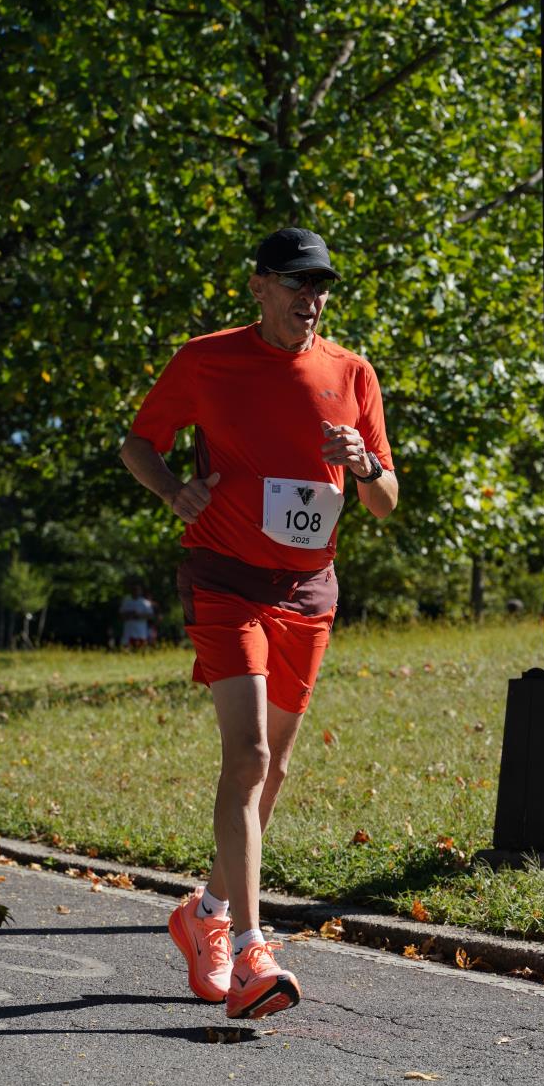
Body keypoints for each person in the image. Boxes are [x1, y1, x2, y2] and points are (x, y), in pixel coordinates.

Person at [120, 227, 397, 1019]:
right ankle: (250, 949)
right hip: (225, 577)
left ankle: (204, 913)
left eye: (322, 286)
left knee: (270, 771)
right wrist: (173, 490)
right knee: (246, 755)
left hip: (309, 589)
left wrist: (364, 462)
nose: (312, 298)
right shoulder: (207, 359)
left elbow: (385, 500)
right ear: (260, 286)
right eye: (297, 282)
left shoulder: (352, 372)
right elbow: (139, 443)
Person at [119, 583, 154, 650]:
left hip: (140, 632)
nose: (135, 591)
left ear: (141, 591)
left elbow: (150, 615)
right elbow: (121, 615)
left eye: (137, 590)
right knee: (127, 649)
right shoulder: (126, 601)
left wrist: (139, 615)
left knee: (140, 650)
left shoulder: (145, 603)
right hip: (128, 632)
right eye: (134, 589)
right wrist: (130, 614)